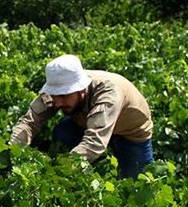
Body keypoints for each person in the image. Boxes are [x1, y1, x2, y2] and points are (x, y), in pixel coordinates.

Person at [9, 54, 154, 178]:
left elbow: (94, 142)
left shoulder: (108, 94)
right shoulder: (56, 89)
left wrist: (61, 170)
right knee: (63, 133)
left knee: (137, 183)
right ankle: (87, 170)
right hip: (88, 122)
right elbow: (30, 121)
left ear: (82, 89)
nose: (58, 102)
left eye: (64, 95)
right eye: (55, 95)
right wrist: (12, 150)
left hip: (130, 132)